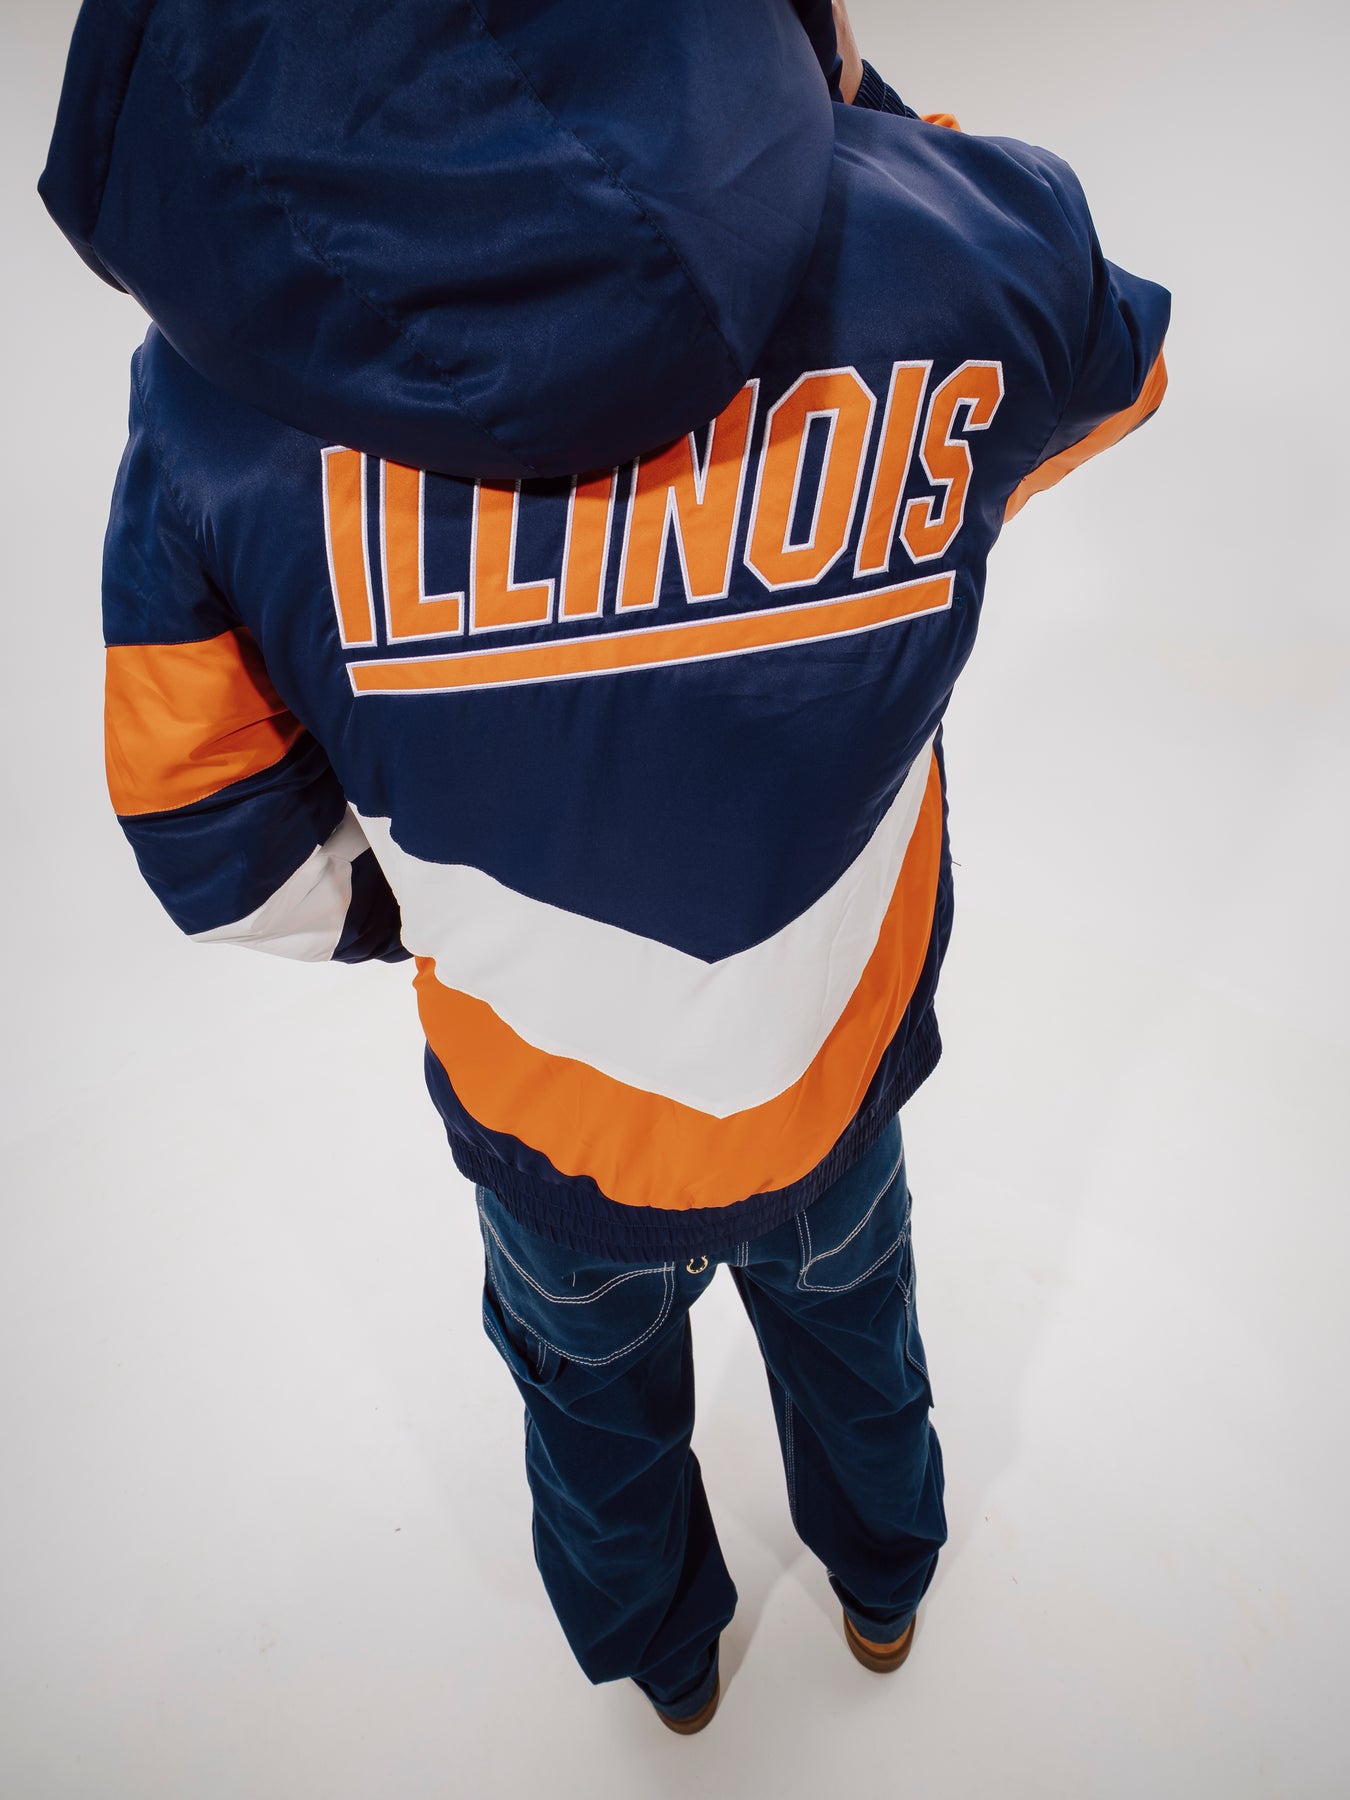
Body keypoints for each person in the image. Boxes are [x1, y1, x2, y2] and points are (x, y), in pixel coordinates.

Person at [40, 0, 1169, 1733]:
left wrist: (456, 900)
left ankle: (667, 1665)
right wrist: (842, 120)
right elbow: (1107, 375)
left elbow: (221, 855)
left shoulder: (205, 416)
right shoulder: (946, 242)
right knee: (856, 1333)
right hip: (830, 1069)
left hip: (549, 1124)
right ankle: (883, 1589)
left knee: (589, 1408)